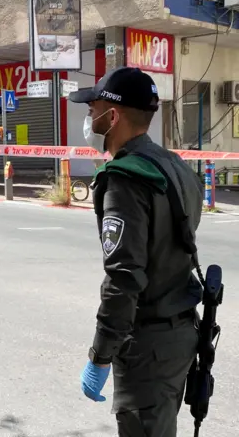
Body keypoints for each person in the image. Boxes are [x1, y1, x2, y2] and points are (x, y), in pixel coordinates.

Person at [69, 67, 204, 437]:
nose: (88, 117)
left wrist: (100, 355)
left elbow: (124, 276)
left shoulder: (125, 178)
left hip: (148, 347)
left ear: (112, 116)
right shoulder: (176, 166)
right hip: (179, 334)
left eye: (92, 108)